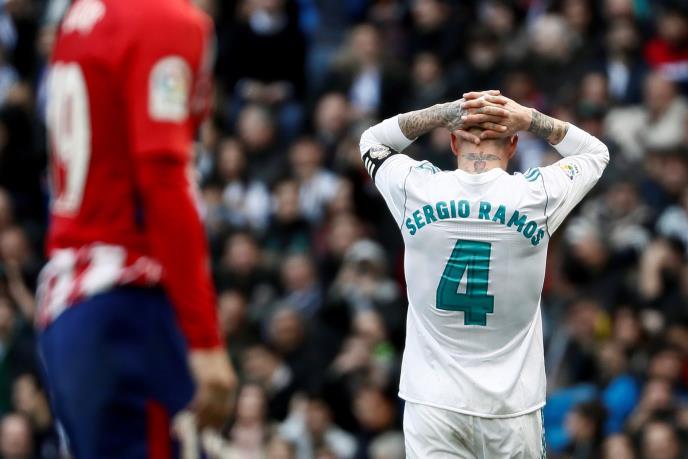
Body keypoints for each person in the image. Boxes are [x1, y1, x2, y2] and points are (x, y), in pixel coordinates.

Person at [359, 90, 609, 457]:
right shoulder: (536, 195)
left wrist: (439, 113)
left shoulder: (417, 188)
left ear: (452, 142)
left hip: (433, 404)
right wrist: (531, 119)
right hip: (511, 407)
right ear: (513, 144)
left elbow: (372, 141)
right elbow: (595, 152)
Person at [36, 0, 237, 457]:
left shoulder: (80, 17)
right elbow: (162, 179)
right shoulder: (164, 20)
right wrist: (205, 339)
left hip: (70, 299)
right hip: (128, 301)